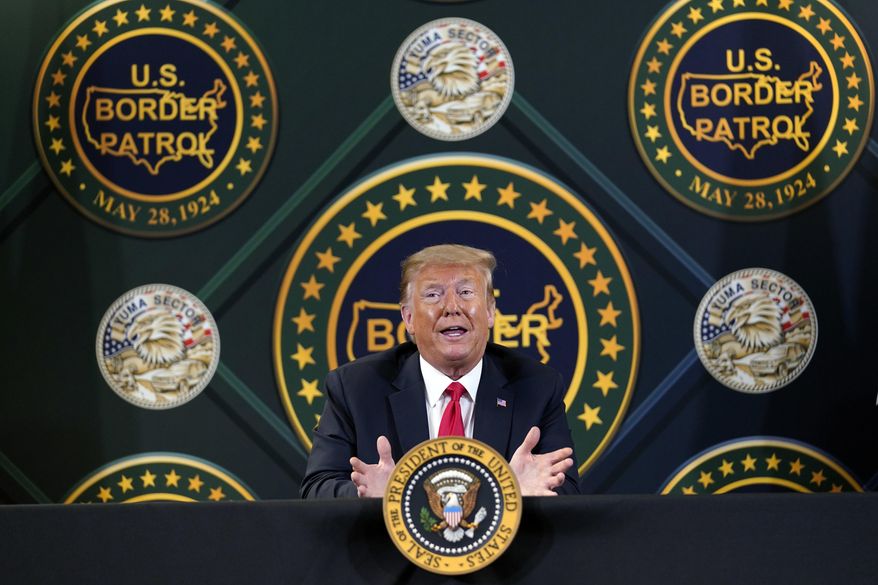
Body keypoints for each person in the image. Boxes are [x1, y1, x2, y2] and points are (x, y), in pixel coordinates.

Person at [300, 244, 579, 498]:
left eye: (466, 292)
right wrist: (373, 495)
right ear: (408, 318)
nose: (452, 307)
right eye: (433, 295)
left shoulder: (536, 386)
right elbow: (316, 489)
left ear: (491, 311)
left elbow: (566, 492)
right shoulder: (356, 387)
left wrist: (511, 491)